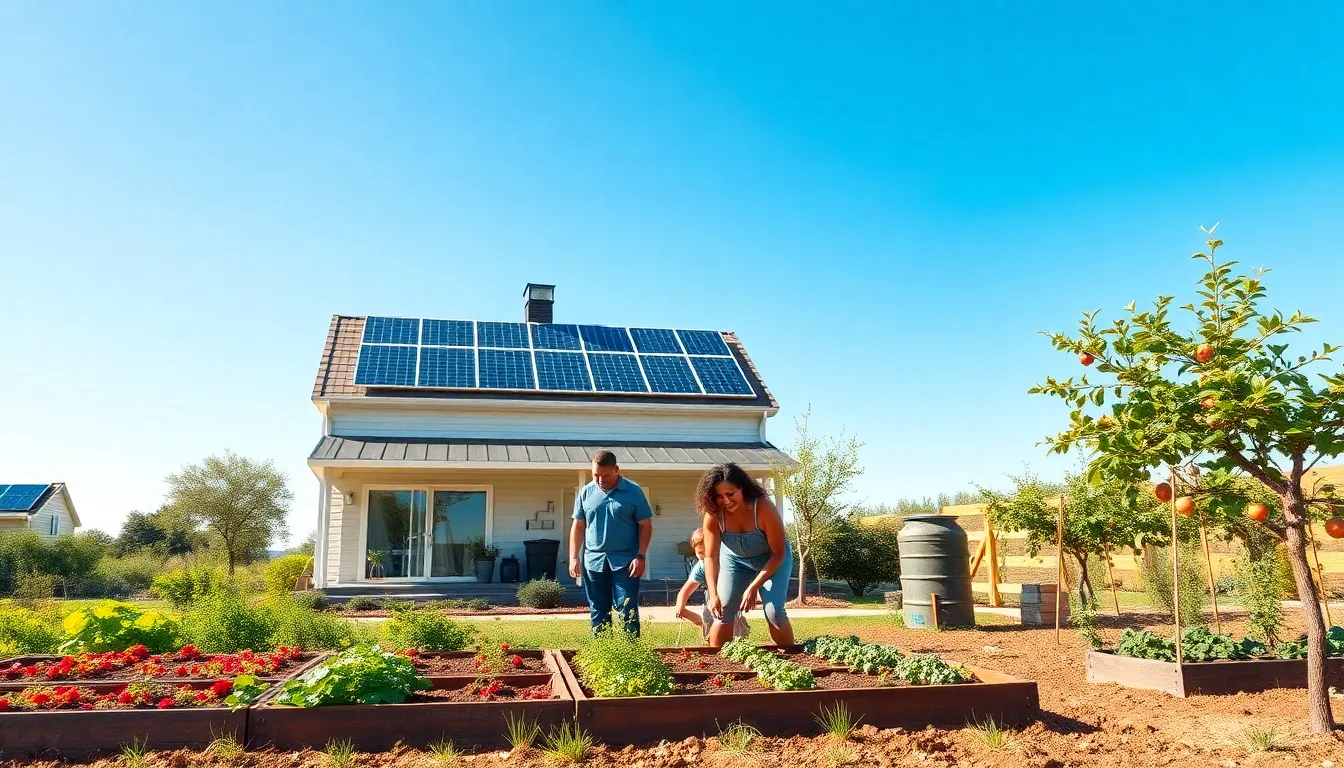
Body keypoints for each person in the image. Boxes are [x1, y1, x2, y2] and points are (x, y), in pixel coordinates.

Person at [698, 462, 794, 647]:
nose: (725, 501)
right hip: (735, 562)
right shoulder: (714, 515)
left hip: (771, 561)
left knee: (774, 612)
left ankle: (792, 658)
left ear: (742, 489)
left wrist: (753, 587)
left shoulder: (764, 508)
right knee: (722, 611)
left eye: (730, 494)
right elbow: (710, 556)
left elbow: (778, 554)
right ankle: (719, 666)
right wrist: (713, 593)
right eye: (718, 496)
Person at [569, 449, 653, 635]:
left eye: (605, 475)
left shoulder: (633, 491)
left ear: (617, 469)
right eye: (595, 475)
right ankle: (601, 652)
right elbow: (578, 526)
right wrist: (574, 557)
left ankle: (631, 653)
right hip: (594, 562)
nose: (599, 480)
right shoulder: (586, 492)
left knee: (627, 610)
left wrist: (641, 555)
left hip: (626, 562)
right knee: (598, 610)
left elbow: (646, 526)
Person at [674, 527, 750, 641]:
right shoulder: (701, 565)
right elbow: (686, 589)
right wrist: (681, 606)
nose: (703, 556)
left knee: (732, 623)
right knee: (709, 617)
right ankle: (708, 638)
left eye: (707, 552)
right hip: (712, 596)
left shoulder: (728, 561)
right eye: (699, 552)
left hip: (731, 594)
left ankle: (738, 637)